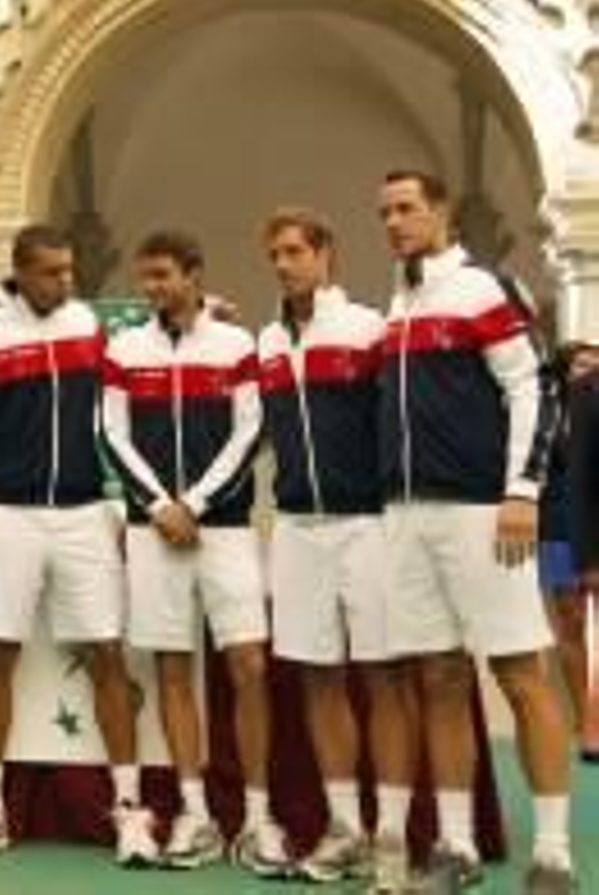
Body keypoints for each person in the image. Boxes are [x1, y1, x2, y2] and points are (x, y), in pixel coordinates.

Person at [376, 169, 573, 892]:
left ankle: (552, 854)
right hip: (406, 516)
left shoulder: (485, 288)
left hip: (482, 514)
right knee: (439, 678)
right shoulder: (398, 304)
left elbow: (536, 386)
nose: (393, 222)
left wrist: (522, 491)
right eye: (384, 212)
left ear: (442, 212)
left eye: (406, 208)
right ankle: (456, 847)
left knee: (520, 674)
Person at [0, 225, 157, 864]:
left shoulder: (87, 324)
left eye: (69, 270)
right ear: (20, 271)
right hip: (4, 513)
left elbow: (119, 406)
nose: (66, 282)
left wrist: (116, 503)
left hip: (84, 513)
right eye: (52, 272)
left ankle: (129, 809)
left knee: (107, 653)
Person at [101, 230, 289, 876]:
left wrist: (198, 504)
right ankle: (194, 813)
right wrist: (159, 506)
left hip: (225, 529)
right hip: (151, 530)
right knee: (173, 669)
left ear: (194, 274)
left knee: (249, 665)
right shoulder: (124, 348)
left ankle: (258, 818)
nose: (152, 287)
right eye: (145, 277)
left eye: (163, 275)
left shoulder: (236, 344)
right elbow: (111, 433)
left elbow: (251, 430)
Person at [255, 209, 417, 888]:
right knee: (318, 677)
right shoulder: (265, 341)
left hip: (369, 525)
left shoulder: (368, 328)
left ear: (327, 255)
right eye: (275, 254)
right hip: (296, 528)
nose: (284, 264)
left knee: (383, 677)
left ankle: (393, 837)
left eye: (295, 251)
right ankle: (345, 827)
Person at [539, 340, 599, 764]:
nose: (588, 373)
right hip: (558, 529)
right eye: (580, 365)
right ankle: (585, 722)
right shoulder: (547, 416)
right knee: (570, 622)